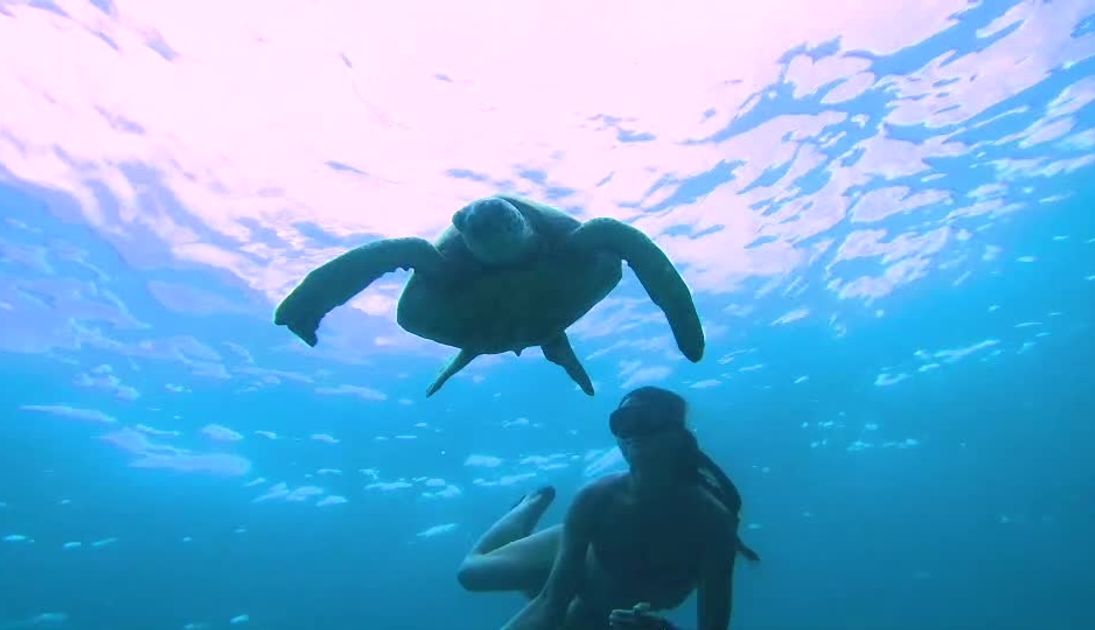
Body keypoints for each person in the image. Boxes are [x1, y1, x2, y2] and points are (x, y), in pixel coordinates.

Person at [456, 386, 759, 629]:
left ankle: (534, 578)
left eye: (646, 420)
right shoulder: (596, 498)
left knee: (561, 604)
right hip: (574, 555)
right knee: (471, 573)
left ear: (678, 435)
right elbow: (551, 603)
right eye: (624, 423)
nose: (634, 433)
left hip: (595, 609)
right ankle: (528, 507)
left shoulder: (713, 523)